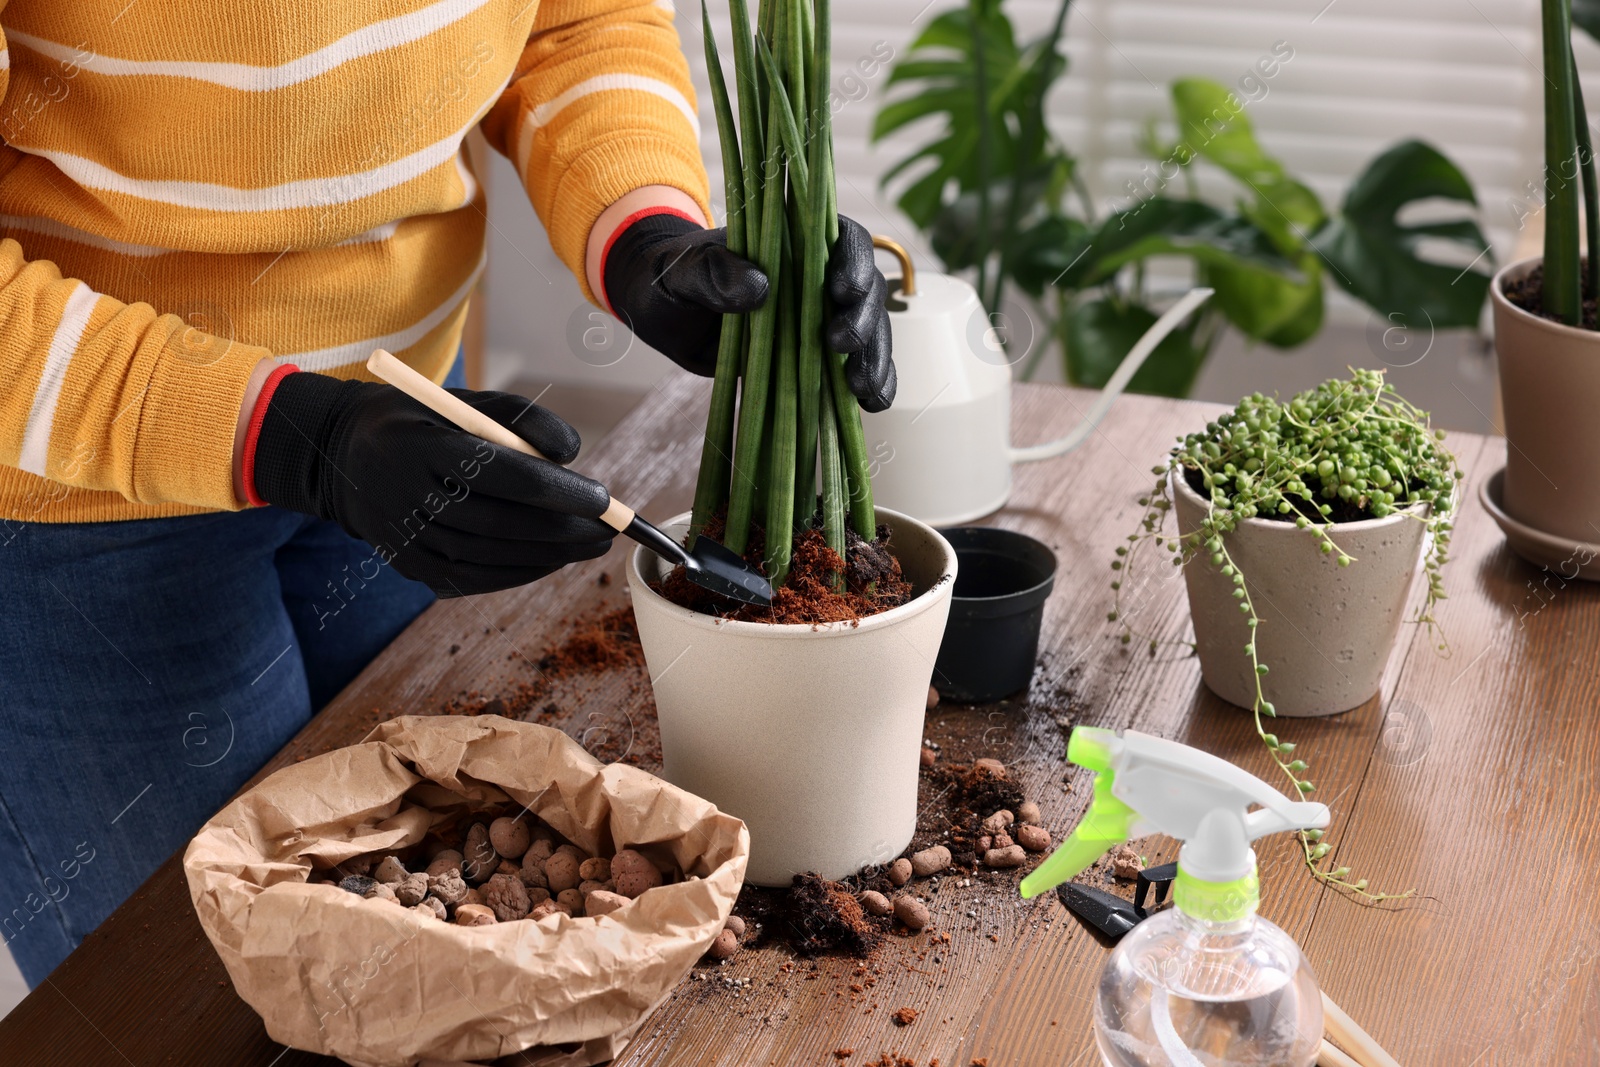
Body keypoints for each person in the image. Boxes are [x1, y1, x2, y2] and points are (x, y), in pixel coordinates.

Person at [0, 0, 892, 987]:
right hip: (76, 504)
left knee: (393, 973)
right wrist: (293, 437)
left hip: (407, 420)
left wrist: (643, 232)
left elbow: (571, 20)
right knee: (189, 997)